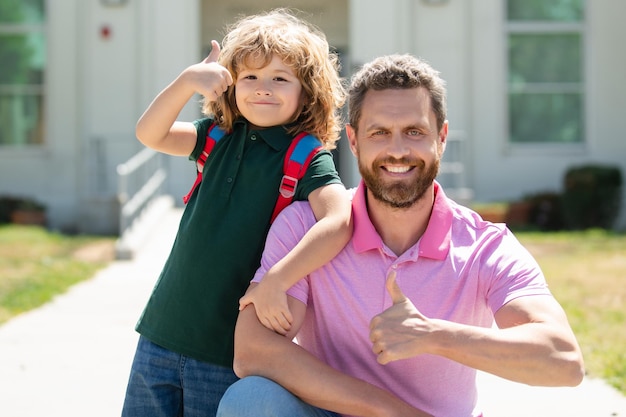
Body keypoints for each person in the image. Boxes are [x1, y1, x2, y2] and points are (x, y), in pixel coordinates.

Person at [216, 54, 585, 417]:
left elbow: (564, 362)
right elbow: (253, 351)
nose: (397, 151)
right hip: (338, 412)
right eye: (379, 133)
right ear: (354, 140)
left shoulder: (486, 246)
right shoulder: (307, 228)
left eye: (414, 131)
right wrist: (387, 410)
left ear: (441, 137)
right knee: (249, 400)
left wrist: (433, 335)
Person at [121, 9, 352, 417]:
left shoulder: (307, 156)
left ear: (307, 92)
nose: (263, 88)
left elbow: (339, 222)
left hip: (226, 354)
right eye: (250, 77)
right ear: (231, 85)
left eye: (280, 78)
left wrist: (276, 281)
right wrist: (188, 81)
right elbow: (149, 133)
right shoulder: (215, 136)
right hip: (159, 334)